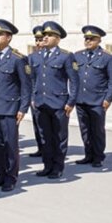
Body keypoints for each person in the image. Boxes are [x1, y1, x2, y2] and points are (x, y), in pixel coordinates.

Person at [0, 19, 31, 192]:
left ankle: (11, 177)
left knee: (10, 144)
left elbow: (26, 86)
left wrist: (23, 108)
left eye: (0, 34)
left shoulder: (18, 59)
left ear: (9, 38)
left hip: (10, 108)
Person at [31, 21, 78, 179]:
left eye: (49, 35)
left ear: (58, 39)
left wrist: (71, 102)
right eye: (44, 35)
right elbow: (31, 79)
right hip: (40, 103)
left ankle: (58, 167)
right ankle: (47, 165)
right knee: (44, 137)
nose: (45, 38)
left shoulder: (66, 56)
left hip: (59, 104)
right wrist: (32, 98)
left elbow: (74, 80)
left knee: (59, 136)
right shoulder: (35, 56)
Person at [73, 25, 112, 168]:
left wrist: (108, 99)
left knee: (97, 130)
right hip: (81, 99)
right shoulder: (78, 55)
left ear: (99, 40)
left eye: (91, 39)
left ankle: (98, 157)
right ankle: (88, 155)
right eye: (86, 38)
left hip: (97, 101)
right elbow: (74, 78)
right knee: (85, 129)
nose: (88, 41)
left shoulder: (108, 57)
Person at [28, 25, 46, 158]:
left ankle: (50, 150)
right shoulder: (32, 57)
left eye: (41, 39)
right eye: (37, 40)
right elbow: (30, 78)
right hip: (35, 96)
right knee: (37, 123)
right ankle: (41, 147)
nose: (39, 43)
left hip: (51, 97)